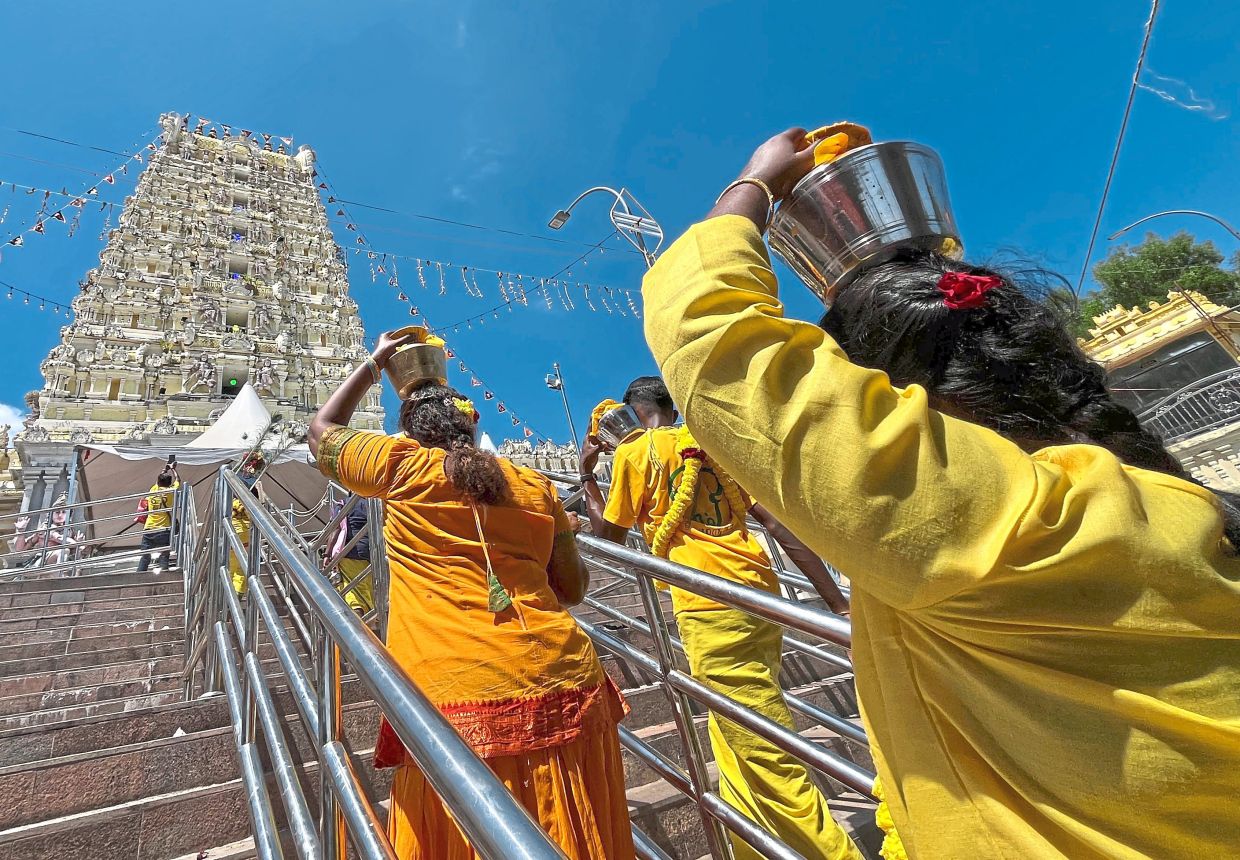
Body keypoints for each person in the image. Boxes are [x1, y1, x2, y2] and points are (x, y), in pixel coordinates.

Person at [640, 127, 1240, 858]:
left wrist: (754, 185)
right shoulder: (1181, 507)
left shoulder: (992, 522)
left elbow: (709, 328)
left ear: (899, 402)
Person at [308, 329, 634, 860]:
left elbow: (322, 431)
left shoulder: (400, 468)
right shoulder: (535, 485)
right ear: (472, 422)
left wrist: (375, 364)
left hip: (453, 697)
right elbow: (572, 588)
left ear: (406, 431)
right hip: (566, 679)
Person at [580, 378, 858, 860]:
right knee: (731, 733)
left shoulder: (634, 452)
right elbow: (775, 523)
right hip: (760, 597)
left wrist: (588, 476)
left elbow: (608, 539)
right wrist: (835, 604)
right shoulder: (708, 441)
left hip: (710, 605)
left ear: (632, 412)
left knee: (764, 748)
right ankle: (753, 849)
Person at [327, 500, 374, 614]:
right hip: (370, 552)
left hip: (349, 552)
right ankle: (369, 620)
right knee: (365, 589)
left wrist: (327, 554)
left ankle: (357, 628)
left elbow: (336, 529)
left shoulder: (343, 504)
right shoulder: (372, 502)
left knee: (354, 595)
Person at [137, 463, 179, 573]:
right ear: (169, 484)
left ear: (159, 482)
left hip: (149, 528)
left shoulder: (153, 490)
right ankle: (163, 574)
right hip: (163, 529)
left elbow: (158, 479)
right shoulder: (170, 491)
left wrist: (165, 469)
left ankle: (139, 576)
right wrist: (173, 470)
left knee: (145, 556)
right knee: (164, 555)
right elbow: (178, 480)